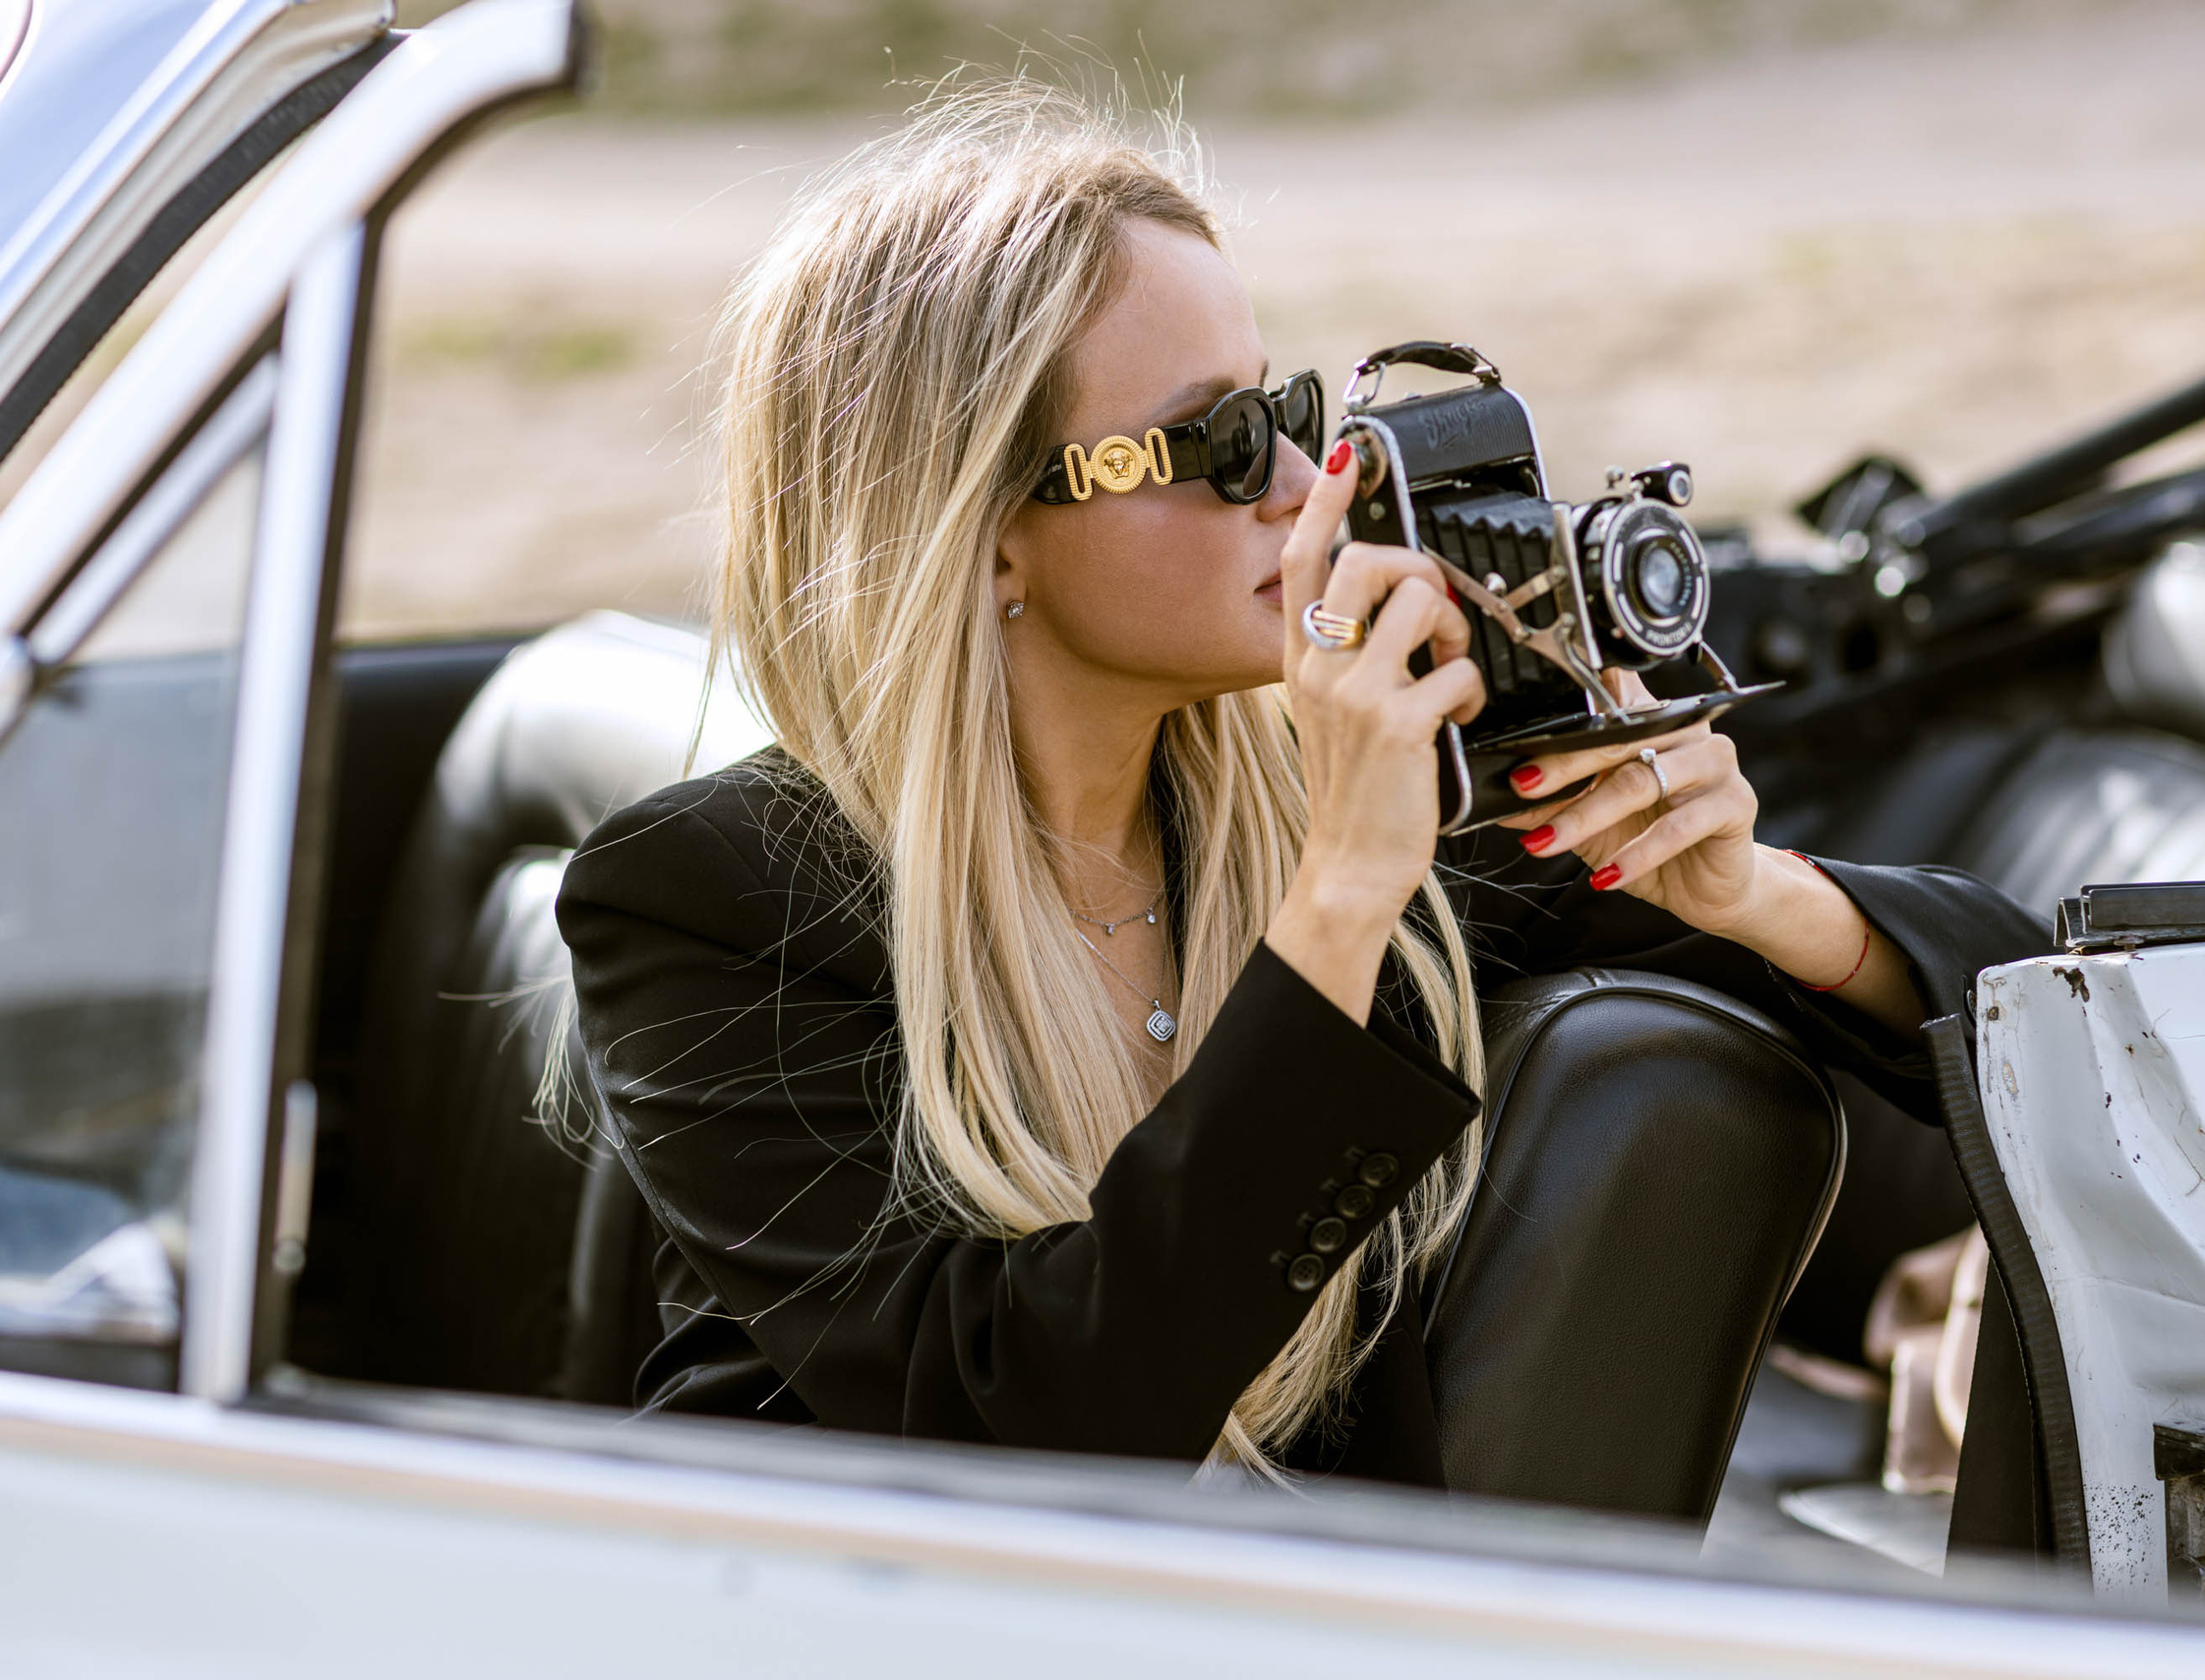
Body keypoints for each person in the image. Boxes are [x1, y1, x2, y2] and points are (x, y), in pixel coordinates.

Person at [556, 81, 2046, 1488]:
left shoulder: (1352, 821)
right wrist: (1336, 904)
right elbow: (1037, 1425)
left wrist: (1768, 902)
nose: (1302, 481)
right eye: (1212, 442)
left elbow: (2044, 1024)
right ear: (985, 534)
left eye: (1289, 409)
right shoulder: (709, 904)